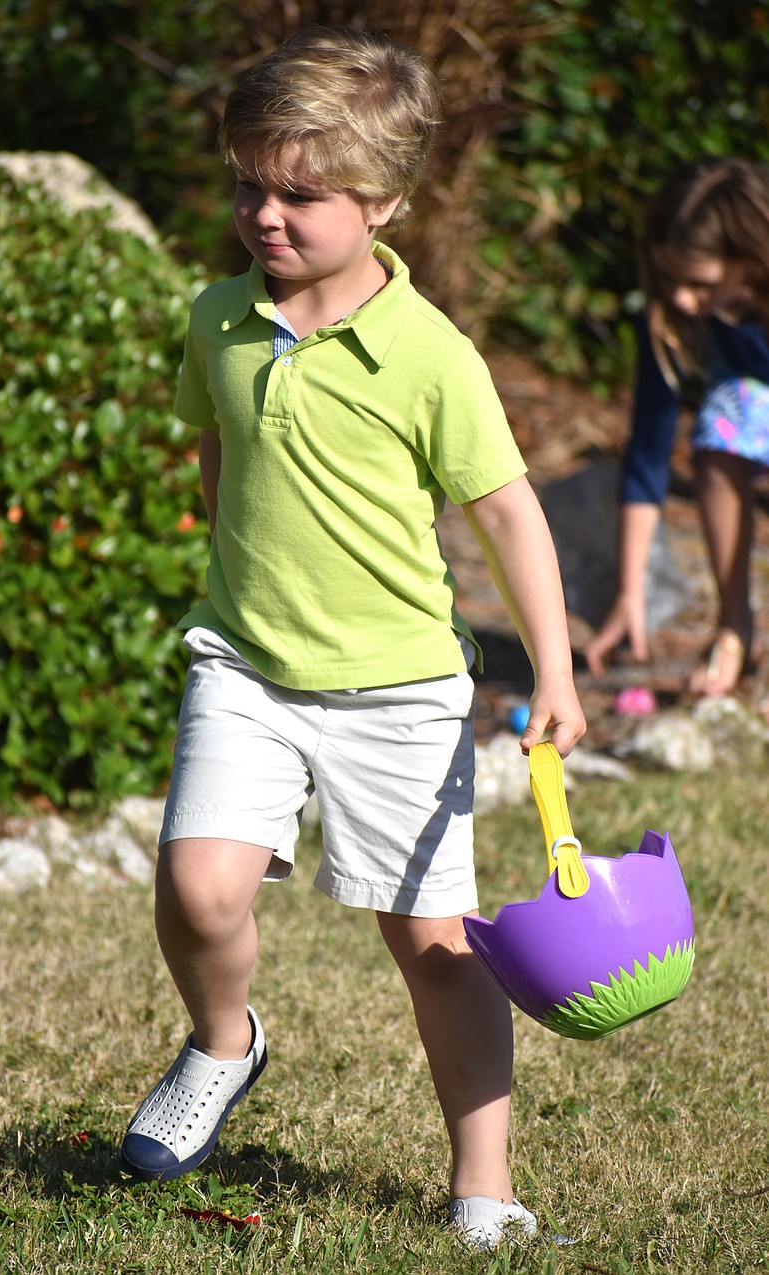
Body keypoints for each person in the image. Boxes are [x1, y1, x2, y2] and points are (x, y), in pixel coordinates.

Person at [120, 25, 586, 1251]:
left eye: (299, 194)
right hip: (245, 662)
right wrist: (231, 564)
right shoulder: (217, 317)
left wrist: (554, 662)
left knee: (432, 945)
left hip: (398, 691)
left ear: (381, 202)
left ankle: (481, 1181)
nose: (262, 214)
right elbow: (218, 442)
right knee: (196, 885)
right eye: (246, 184)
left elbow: (506, 513)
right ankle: (225, 1044)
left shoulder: (430, 356)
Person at [587, 157, 769, 697]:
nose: (684, 298)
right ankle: (734, 625)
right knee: (724, 418)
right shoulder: (672, 315)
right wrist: (630, 591)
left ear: (747, 256)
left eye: (700, 282)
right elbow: (648, 452)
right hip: (752, 412)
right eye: (671, 279)